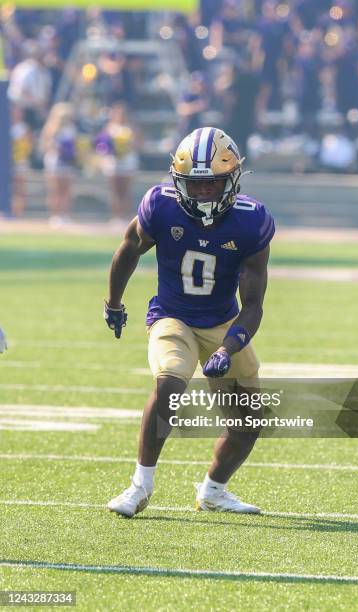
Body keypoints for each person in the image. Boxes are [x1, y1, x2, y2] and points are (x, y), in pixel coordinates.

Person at [104, 127, 275, 517]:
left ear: (231, 180)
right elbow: (129, 248)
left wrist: (228, 347)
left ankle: (213, 491)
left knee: (249, 420)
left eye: (211, 184)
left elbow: (253, 306)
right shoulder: (160, 206)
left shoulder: (250, 221)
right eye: (194, 185)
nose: (202, 194)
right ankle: (139, 487)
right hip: (171, 315)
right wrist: (113, 302)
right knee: (169, 383)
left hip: (223, 321)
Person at [39, 102, 78, 225]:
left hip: (67, 162)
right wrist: (56, 147)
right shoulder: (51, 128)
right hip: (54, 162)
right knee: (55, 190)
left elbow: (74, 146)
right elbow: (45, 145)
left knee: (66, 190)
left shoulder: (72, 128)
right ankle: (55, 215)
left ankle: (65, 215)